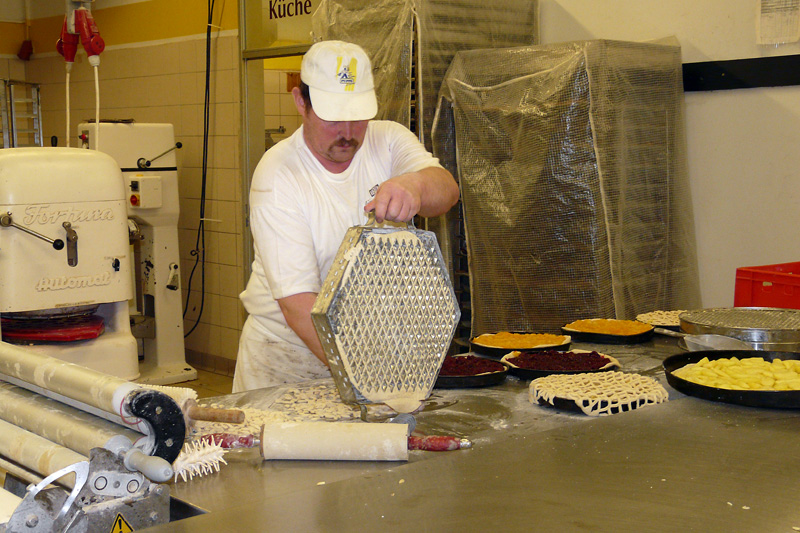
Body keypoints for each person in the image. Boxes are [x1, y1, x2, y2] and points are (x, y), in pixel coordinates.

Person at [233, 40, 459, 392]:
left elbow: (446, 190)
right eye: (333, 116)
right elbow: (299, 306)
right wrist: (371, 382)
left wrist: (414, 185)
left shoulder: (386, 140)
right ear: (300, 102)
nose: (348, 132)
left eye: (357, 115)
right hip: (288, 361)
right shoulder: (279, 174)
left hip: (373, 349)